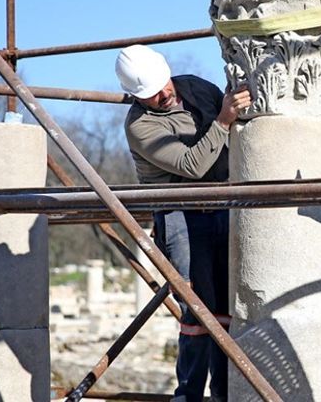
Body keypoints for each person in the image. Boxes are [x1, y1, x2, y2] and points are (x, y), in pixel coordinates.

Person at [115, 44, 250, 402]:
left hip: (222, 203)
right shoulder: (140, 126)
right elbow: (192, 166)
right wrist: (223, 120)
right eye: (151, 94)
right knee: (197, 310)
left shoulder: (191, 86)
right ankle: (188, 395)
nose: (163, 95)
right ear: (135, 96)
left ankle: (224, 394)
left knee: (226, 309)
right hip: (180, 215)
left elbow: (233, 116)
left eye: (164, 85)